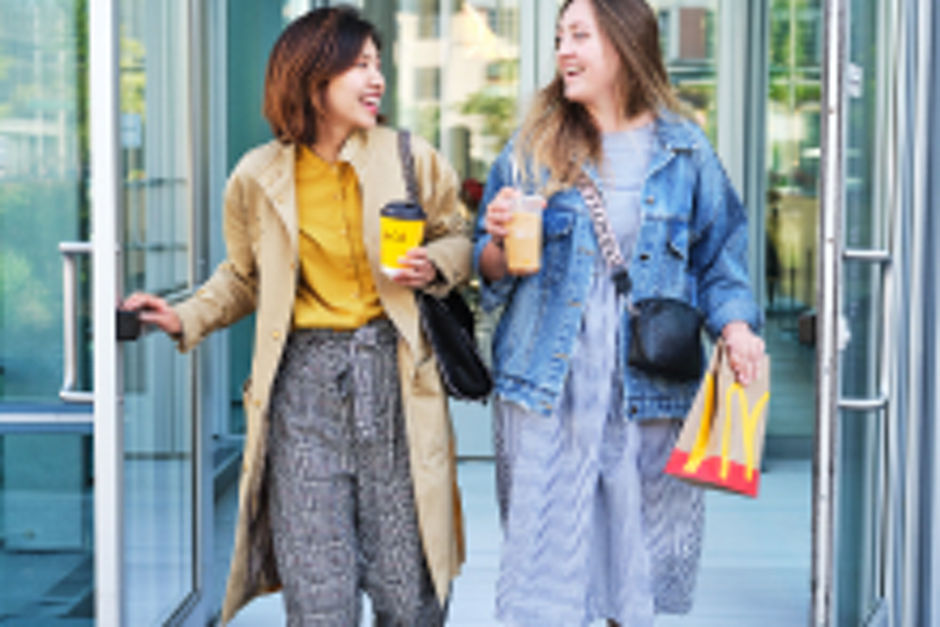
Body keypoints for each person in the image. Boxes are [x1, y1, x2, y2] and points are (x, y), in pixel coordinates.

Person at [122, 7, 469, 625]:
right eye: (360, 65)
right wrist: (182, 317)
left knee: (406, 589)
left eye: (378, 64)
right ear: (312, 78)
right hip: (302, 390)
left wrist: (435, 264)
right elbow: (243, 276)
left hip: (394, 378)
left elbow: (458, 237)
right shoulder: (257, 176)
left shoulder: (410, 157)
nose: (377, 79)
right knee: (319, 594)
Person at [473, 0, 765, 625]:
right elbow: (487, 270)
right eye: (560, 37)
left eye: (579, 36)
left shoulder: (685, 152)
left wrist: (737, 327)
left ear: (626, 45)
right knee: (551, 577)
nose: (563, 51)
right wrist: (496, 243)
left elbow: (721, 259)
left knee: (632, 574)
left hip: (646, 390)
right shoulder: (531, 150)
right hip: (550, 389)